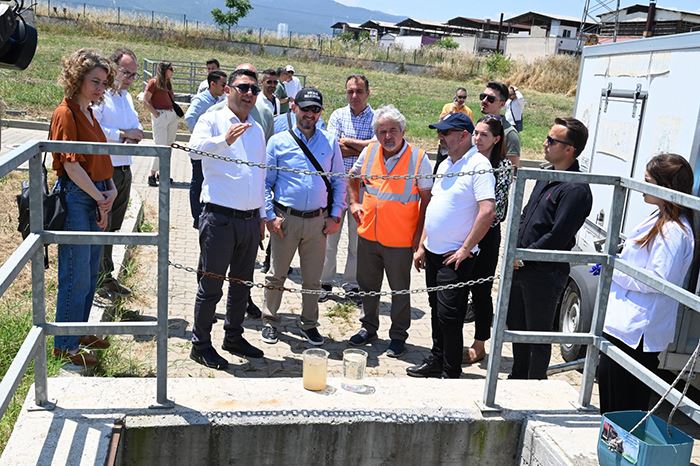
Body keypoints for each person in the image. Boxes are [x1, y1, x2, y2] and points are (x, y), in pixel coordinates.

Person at [599, 153, 696, 413]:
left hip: (638, 331)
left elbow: (657, 281)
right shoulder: (656, 217)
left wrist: (613, 269)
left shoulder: (675, 230)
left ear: (665, 187)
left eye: (648, 181)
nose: (642, 186)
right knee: (610, 405)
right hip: (624, 324)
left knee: (624, 408)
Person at [187, 68, 267, 370]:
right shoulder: (212, 119)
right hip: (219, 217)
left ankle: (233, 336)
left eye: (253, 90)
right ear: (228, 89)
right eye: (243, 88)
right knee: (211, 286)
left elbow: (259, 174)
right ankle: (201, 344)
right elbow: (193, 152)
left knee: (242, 284)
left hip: (248, 220)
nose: (249, 94)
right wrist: (224, 139)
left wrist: (260, 215)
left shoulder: (257, 129)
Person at [407, 112, 495, 378]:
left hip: (455, 256)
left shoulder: (479, 165)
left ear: (463, 135)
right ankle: (437, 358)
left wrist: (466, 249)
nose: (440, 137)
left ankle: (451, 369)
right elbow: (433, 206)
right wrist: (422, 245)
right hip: (433, 251)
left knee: (450, 315)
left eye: (445, 133)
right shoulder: (445, 163)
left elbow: (487, 211)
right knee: (437, 310)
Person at [507, 117, 592, 380]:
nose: (545, 143)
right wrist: (514, 247)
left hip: (543, 273)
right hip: (521, 264)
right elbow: (525, 216)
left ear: (569, 149)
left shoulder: (576, 189)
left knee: (537, 335)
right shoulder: (546, 175)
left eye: (552, 140)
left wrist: (526, 256)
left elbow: (558, 235)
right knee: (517, 328)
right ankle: (517, 378)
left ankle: (534, 385)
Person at [261, 88, 346, 346]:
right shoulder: (278, 141)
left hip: (317, 223)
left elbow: (339, 182)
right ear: (294, 107)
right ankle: (270, 320)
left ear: (321, 113)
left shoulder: (329, 142)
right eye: (306, 108)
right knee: (277, 274)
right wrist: (269, 216)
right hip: (285, 220)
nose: (310, 114)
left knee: (312, 278)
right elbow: (265, 183)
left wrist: (335, 215)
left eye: (315, 110)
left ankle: (309, 324)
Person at [347, 105, 432, 358]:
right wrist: (354, 202)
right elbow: (352, 176)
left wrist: (420, 240)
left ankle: (398, 337)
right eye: (382, 131)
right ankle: (368, 328)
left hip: (399, 240)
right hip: (368, 236)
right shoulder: (370, 151)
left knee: (399, 292)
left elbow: (427, 201)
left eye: (393, 130)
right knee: (368, 286)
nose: (387, 136)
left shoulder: (419, 158)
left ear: (403, 130)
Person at [51, 48, 118, 366]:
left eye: (103, 83)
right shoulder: (66, 113)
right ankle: (64, 344)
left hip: (95, 194)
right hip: (79, 197)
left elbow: (100, 158)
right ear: (76, 79)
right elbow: (71, 165)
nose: (100, 89)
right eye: (95, 81)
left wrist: (111, 188)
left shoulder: (90, 112)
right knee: (75, 273)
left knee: (90, 271)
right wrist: (99, 196)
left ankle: (77, 332)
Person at [93, 47, 144, 298]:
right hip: (105, 169)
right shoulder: (102, 96)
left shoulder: (126, 97)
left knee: (113, 226)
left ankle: (106, 275)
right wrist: (123, 135)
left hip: (124, 168)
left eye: (134, 75)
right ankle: (99, 276)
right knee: (101, 224)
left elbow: (136, 123)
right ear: (113, 68)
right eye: (126, 72)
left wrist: (137, 133)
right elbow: (96, 129)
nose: (130, 79)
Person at [319, 74, 375, 304]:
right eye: (350, 91)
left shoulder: (377, 118)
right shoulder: (338, 115)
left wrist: (351, 143)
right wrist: (365, 147)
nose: (354, 95)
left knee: (357, 240)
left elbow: (378, 149)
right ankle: (324, 282)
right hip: (337, 186)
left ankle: (352, 284)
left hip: (364, 189)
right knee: (329, 237)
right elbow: (334, 148)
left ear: (368, 93)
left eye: (359, 91)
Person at [463, 115, 512, 365]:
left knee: (481, 291)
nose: (478, 138)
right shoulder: (466, 159)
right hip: (461, 232)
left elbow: (498, 211)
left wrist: (475, 228)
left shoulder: (501, 168)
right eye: (476, 133)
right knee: (456, 288)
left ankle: (480, 343)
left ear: (496, 139)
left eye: (484, 135)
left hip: (487, 235)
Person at [185, 70, 227, 228]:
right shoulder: (201, 100)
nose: (225, 87)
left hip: (214, 150)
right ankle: (197, 217)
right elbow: (189, 117)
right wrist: (200, 136)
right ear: (212, 84)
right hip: (201, 150)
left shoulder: (220, 100)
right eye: (222, 84)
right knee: (198, 182)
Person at [143, 61, 178, 187]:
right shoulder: (154, 82)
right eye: (171, 68)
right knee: (161, 147)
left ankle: (163, 173)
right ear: (164, 70)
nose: (172, 71)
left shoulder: (167, 83)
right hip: (160, 115)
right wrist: (156, 114)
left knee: (168, 147)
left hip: (171, 115)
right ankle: (151, 174)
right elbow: (145, 100)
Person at [479, 81, 521, 168]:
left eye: (490, 99)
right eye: (483, 97)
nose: (484, 101)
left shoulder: (509, 134)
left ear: (502, 104)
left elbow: (512, 170)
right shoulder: (479, 126)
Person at [434, 87, 474, 173]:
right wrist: (450, 112)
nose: (461, 99)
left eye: (464, 97)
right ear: (455, 97)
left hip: (458, 145)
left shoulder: (468, 111)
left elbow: (470, 128)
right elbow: (441, 121)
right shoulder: (448, 107)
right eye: (460, 97)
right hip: (445, 142)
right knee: (439, 164)